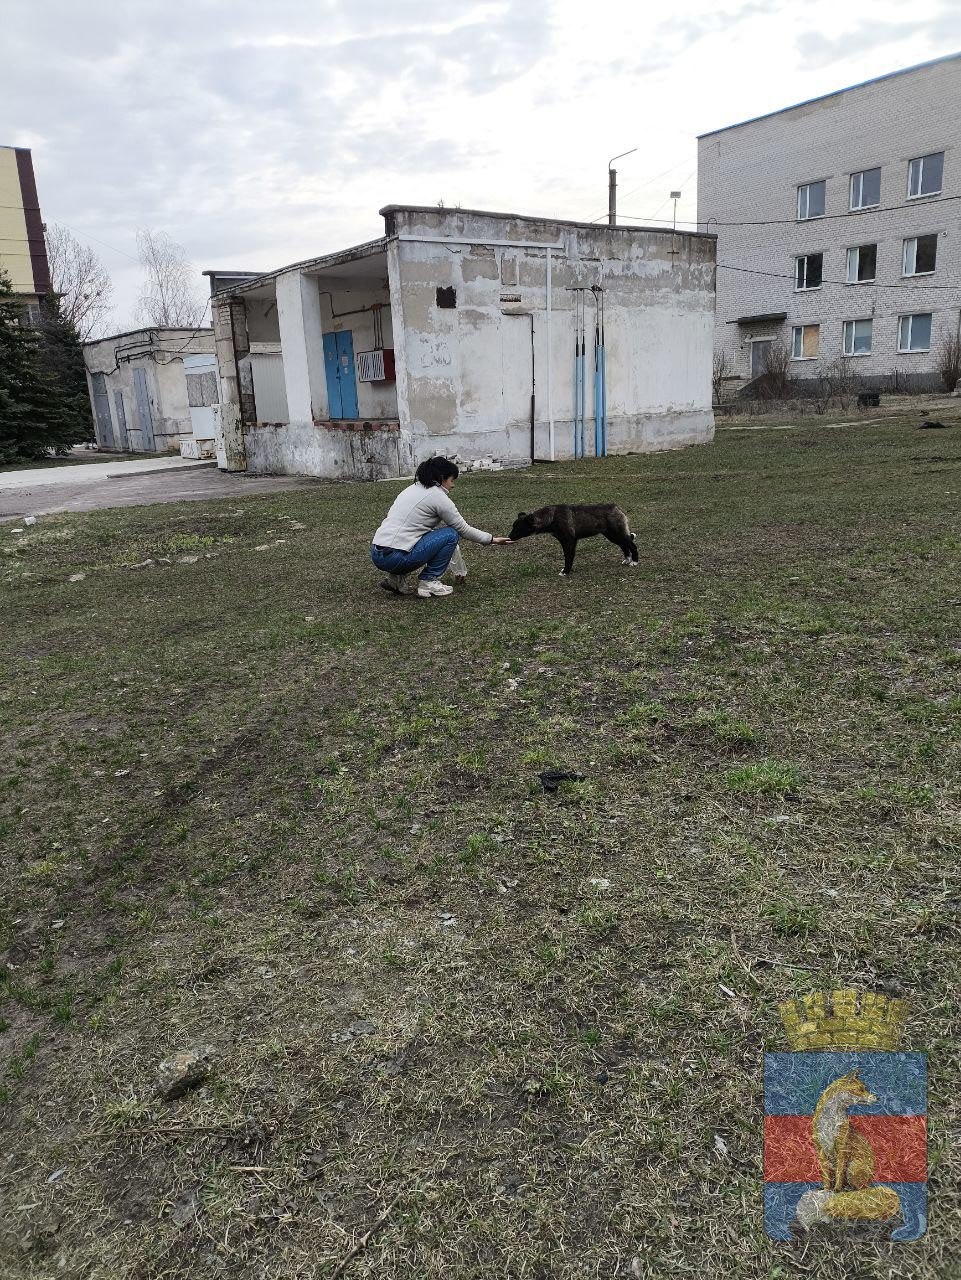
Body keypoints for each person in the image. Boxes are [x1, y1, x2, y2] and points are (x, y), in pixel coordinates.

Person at [370, 456, 512, 598]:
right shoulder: (438, 497)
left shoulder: (411, 489)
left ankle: (396, 579)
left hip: (377, 553)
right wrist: (492, 539)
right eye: (452, 480)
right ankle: (429, 581)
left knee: (425, 535)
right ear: (442, 478)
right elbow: (463, 529)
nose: (453, 485)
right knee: (451, 534)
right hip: (396, 558)